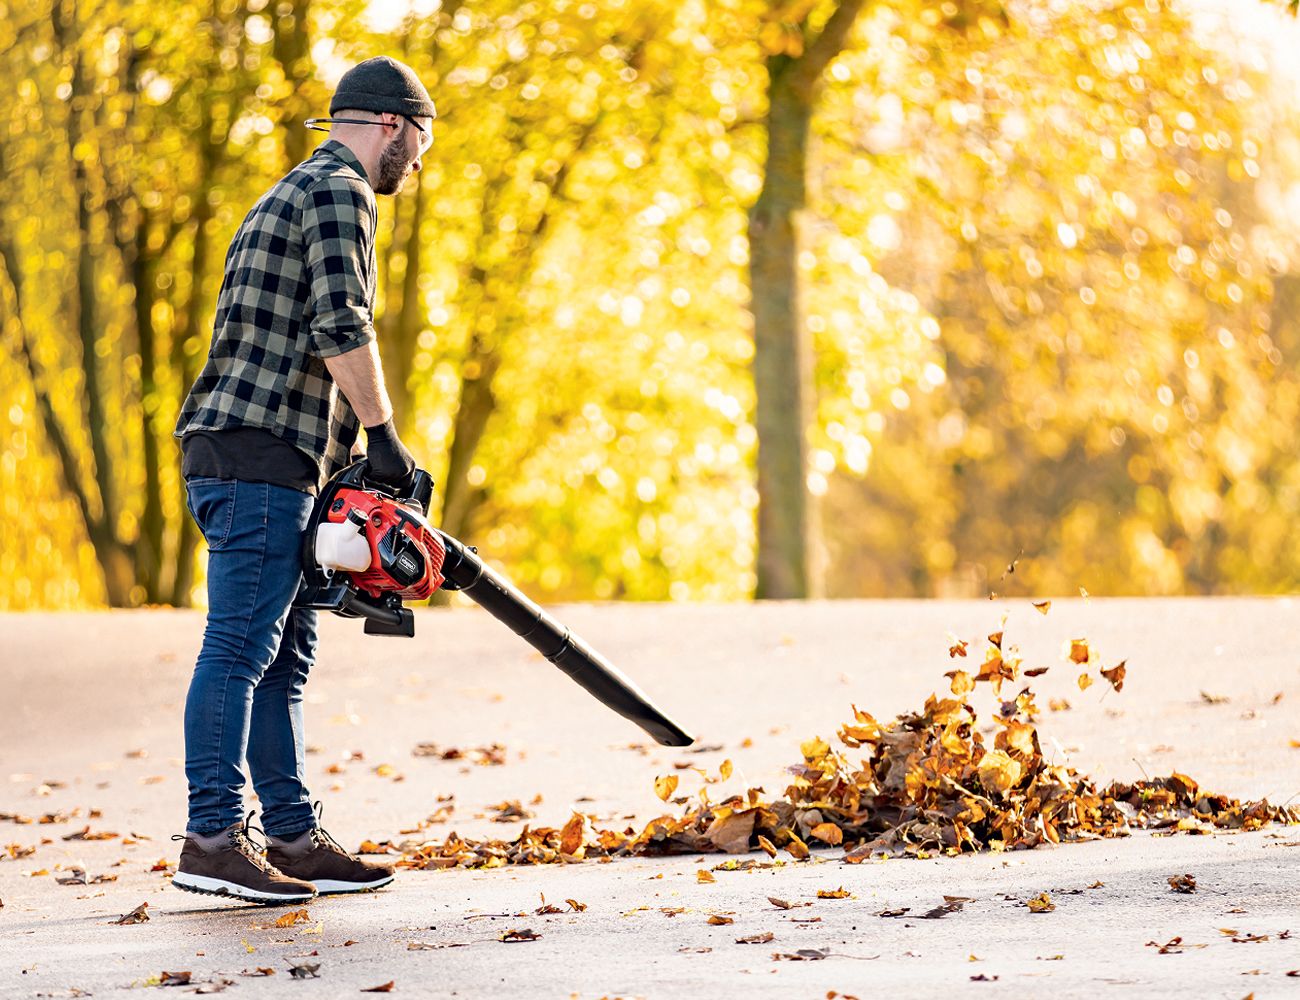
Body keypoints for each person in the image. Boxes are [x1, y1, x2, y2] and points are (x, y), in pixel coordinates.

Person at [169, 56, 436, 904]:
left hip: (272, 453)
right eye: (421, 142)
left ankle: (288, 836)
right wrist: (384, 437)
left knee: (283, 656)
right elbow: (340, 321)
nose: (419, 164)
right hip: (255, 454)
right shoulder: (339, 189)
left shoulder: (299, 187)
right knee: (242, 646)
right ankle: (212, 838)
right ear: (390, 124)